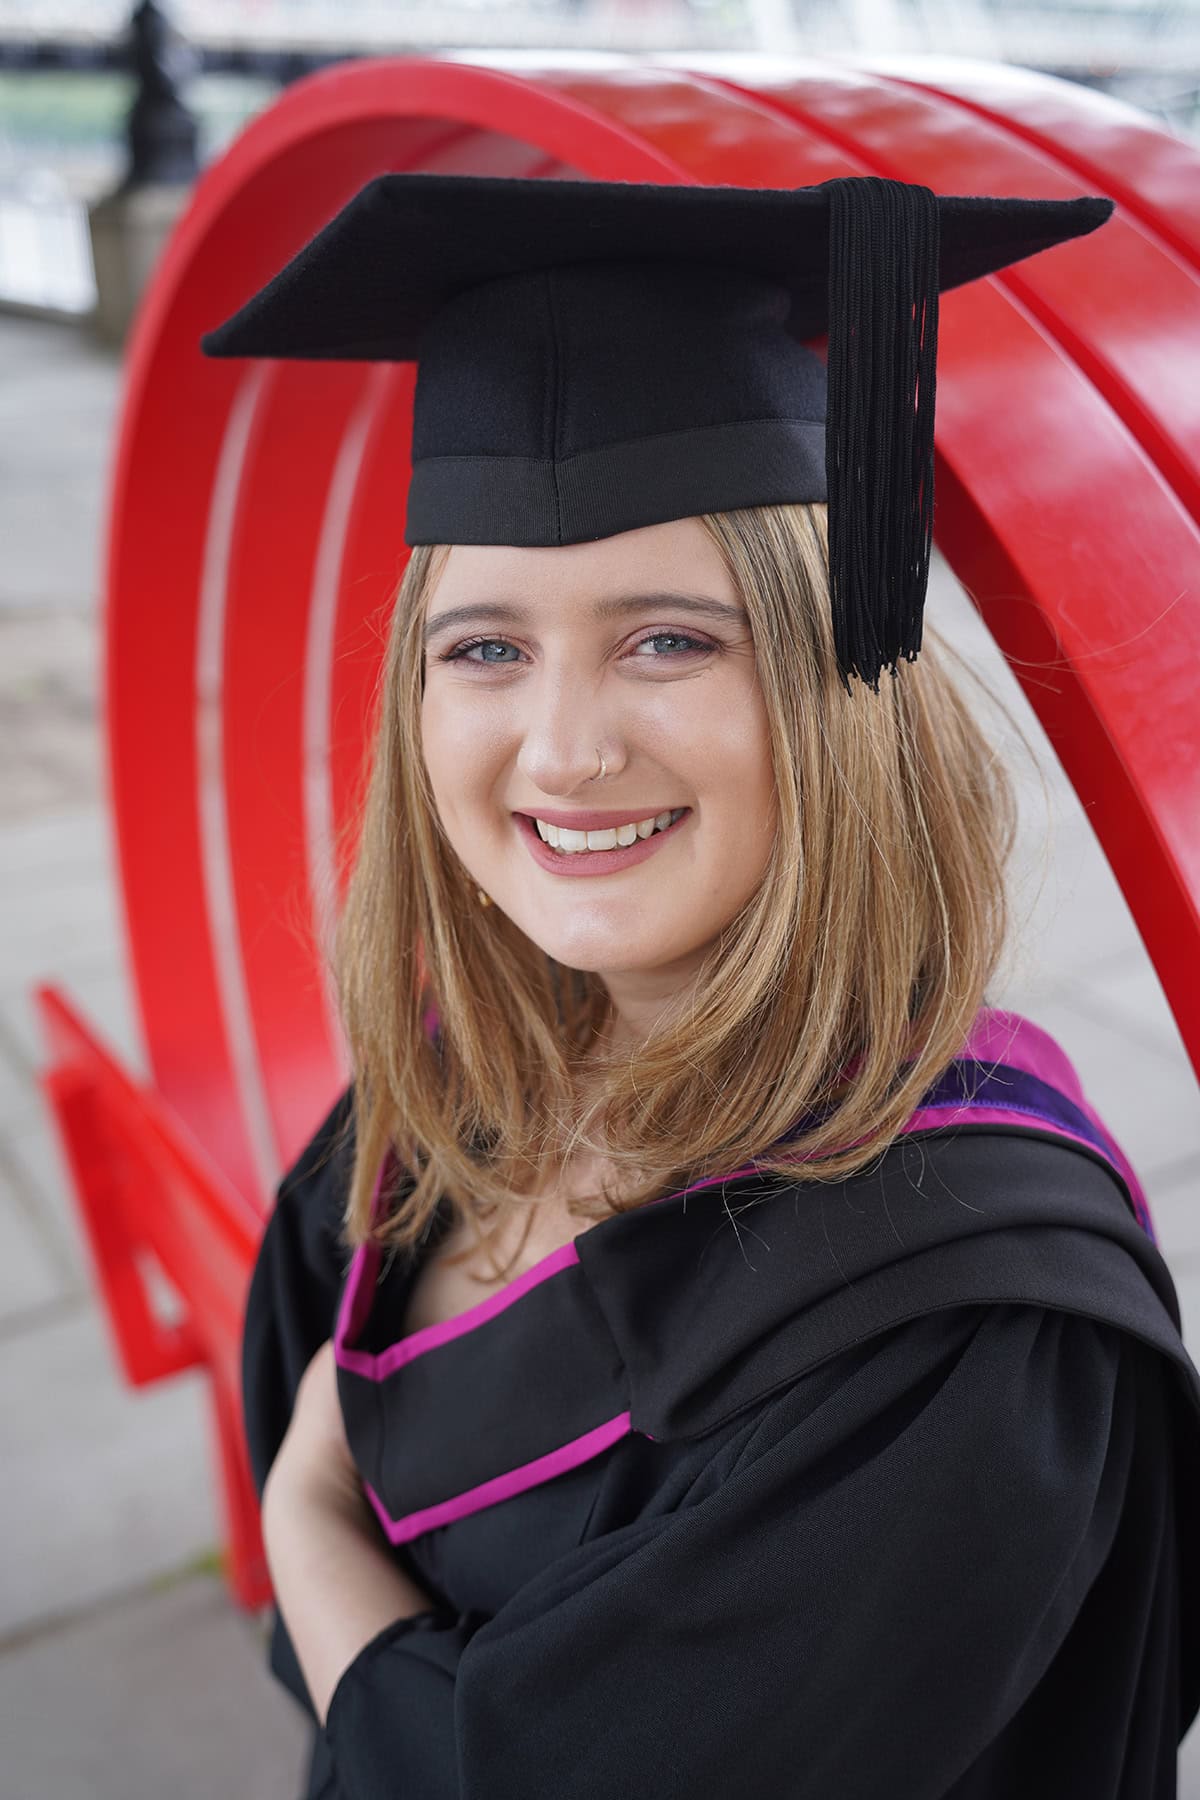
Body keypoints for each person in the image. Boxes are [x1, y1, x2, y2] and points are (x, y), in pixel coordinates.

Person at [202, 171, 1200, 1798]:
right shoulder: (457, 1076)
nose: (567, 749)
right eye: (486, 647)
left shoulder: (960, 1327)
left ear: (836, 681)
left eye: (670, 639)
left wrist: (308, 1518)